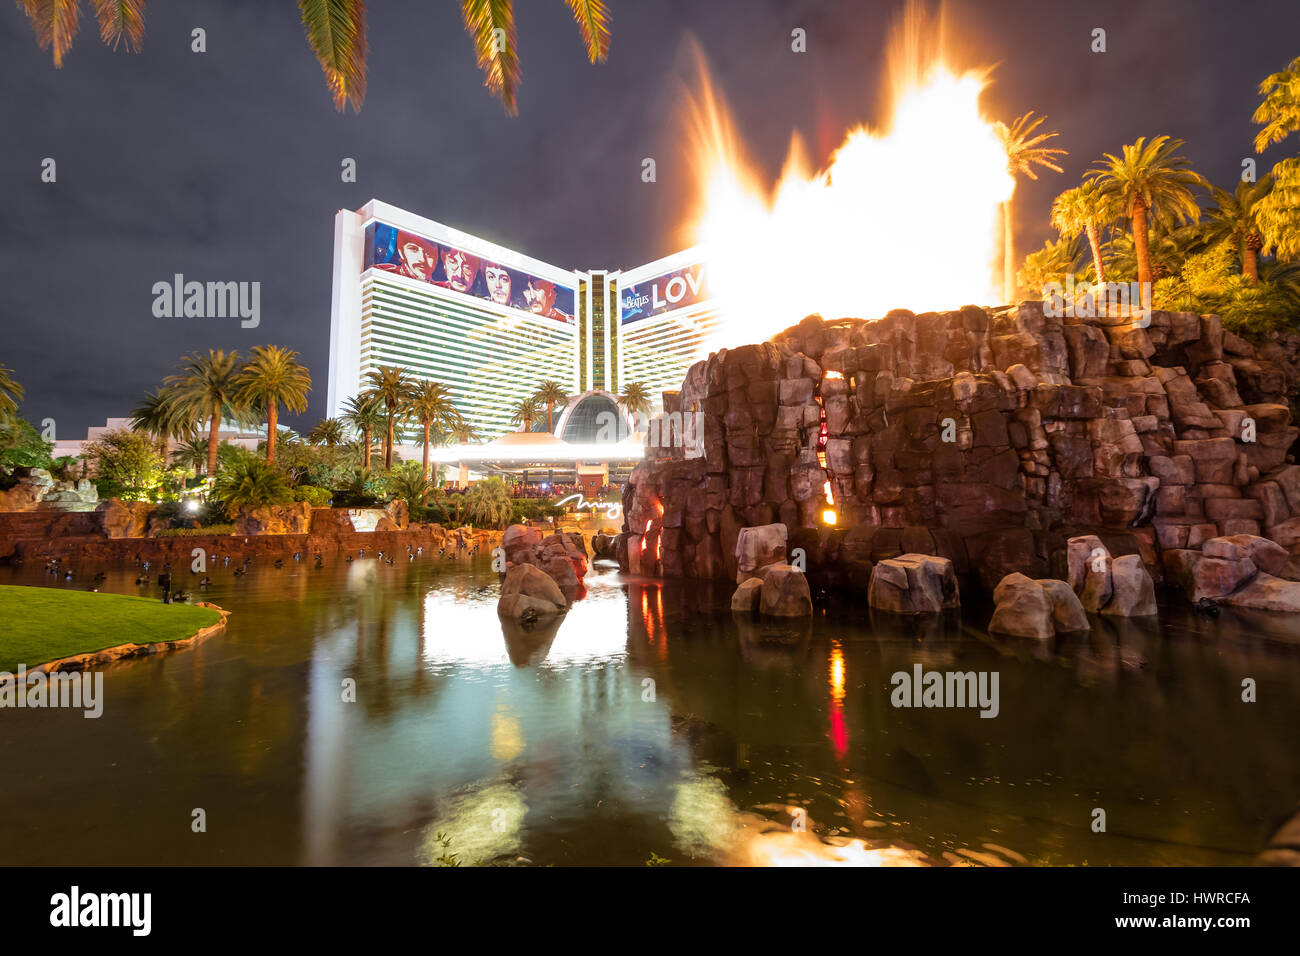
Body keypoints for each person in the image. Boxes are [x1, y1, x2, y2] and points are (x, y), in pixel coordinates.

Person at [375, 232, 439, 281]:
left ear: (436, 257)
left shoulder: (442, 288)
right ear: (402, 252)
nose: (422, 259)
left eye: (428, 251)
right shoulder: (383, 272)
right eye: (413, 249)